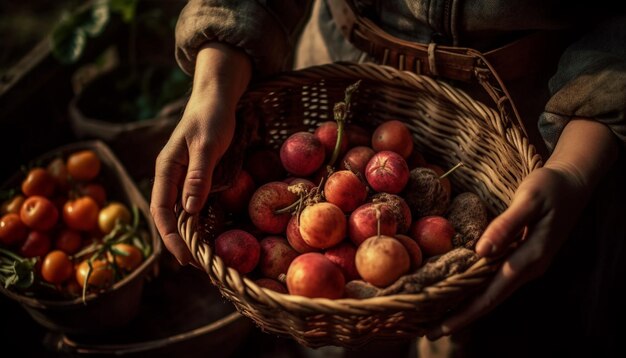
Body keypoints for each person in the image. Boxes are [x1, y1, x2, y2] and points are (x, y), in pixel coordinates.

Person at [150, 1, 626, 355]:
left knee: (492, 334)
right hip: (342, 56)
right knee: (334, 343)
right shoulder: (330, 200)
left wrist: (572, 167)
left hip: (535, 113)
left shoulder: (359, 200)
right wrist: (215, 80)